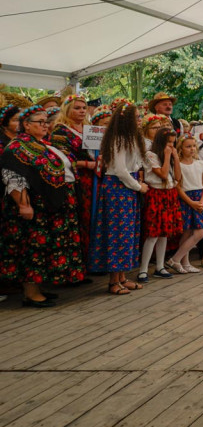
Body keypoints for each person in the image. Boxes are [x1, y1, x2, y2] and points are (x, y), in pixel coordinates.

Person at [1, 104, 86, 307]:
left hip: (52, 207)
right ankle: (30, 293)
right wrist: (23, 205)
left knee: (46, 248)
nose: (45, 125)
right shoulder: (17, 147)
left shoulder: (43, 144)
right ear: (26, 125)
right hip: (35, 206)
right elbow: (12, 177)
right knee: (33, 247)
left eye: (46, 122)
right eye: (40, 122)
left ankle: (38, 288)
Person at [91, 100, 147, 296]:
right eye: (136, 117)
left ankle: (123, 276)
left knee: (128, 233)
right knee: (118, 233)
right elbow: (121, 170)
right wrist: (139, 187)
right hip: (118, 188)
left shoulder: (131, 138)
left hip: (127, 188)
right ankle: (113, 281)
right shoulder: (118, 139)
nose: (140, 120)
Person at [50, 95, 99, 267]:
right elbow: (59, 159)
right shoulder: (60, 131)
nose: (81, 111)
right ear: (67, 109)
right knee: (82, 218)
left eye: (84, 108)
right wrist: (87, 164)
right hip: (78, 180)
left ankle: (94, 258)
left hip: (95, 178)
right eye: (77, 108)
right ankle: (81, 262)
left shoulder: (90, 127)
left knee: (94, 217)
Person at [139, 127, 182, 282]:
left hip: (169, 194)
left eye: (173, 142)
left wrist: (175, 158)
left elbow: (177, 177)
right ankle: (143, 269)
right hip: (156, 194)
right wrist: (167, 155)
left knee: (164, 233)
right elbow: (163, 175)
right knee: (153, 233)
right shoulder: (151, 154)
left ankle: (160, 266)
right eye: (168, 142)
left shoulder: (169, 155)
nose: (171, 145)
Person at [167, 135, 203, 274]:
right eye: (188, 146)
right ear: (181, 149)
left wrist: (202, 201)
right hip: (186, 198)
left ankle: (184, 262)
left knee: (197, 231)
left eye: (193, 146)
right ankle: (177, 259)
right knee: (189, 231)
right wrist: (190, 202)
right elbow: (178, 186)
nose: (192, 149)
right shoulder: (179, 165)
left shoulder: (200, 163)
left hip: (199, 198)